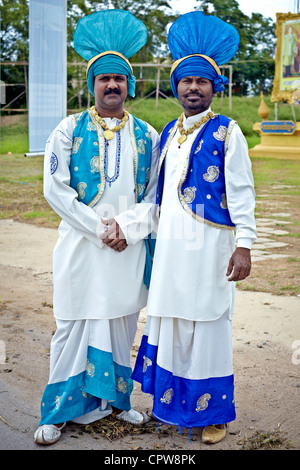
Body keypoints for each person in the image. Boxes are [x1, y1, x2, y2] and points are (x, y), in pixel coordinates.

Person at [34, 10, 159, 445]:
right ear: (92, 85)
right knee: (71, 326)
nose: (112, 85)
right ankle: (56, 412)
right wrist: (99, 229)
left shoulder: (148, 134)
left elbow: (153, 199)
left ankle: (117, 403)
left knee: (123, 322)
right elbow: (56, 190)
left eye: (119, 79)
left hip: (127, 248)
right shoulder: (67, 130)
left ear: (129, 85)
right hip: (82, 248)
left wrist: (126, 227)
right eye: (104, 78)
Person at [132, 11, 257, 445]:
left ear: (213, 88)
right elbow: (155, 196)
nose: (193, 87)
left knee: (208, 323)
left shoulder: (228, 132)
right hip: (170, 249)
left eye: (202, 81)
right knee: (171, 320)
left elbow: (242, 192)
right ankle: (171, 407)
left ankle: (214, 415)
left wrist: (244, 245)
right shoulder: (168, 132)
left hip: (210, 247)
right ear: (176, 87)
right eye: (186, 81)